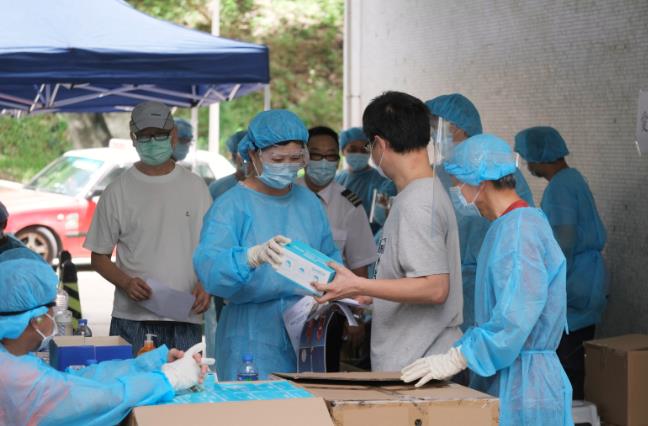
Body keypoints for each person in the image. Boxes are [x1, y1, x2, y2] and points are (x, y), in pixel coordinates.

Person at [400, 134, 572, 426]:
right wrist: (460, 352)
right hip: (510, 377)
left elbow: (514, 320)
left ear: (479, 182)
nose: (460, 197)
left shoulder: (520, 231)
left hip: (525, 387)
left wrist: (458, 358)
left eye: (458, 187)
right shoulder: (509, 225)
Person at [313, 91, 463, 372]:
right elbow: (411, 276)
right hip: (413, 361)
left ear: (380, 144)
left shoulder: (418, 203)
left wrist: (359, 285)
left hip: (420, 367)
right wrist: (372, 295)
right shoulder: (420, 193)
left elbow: (435, 287)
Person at [193, 109, 342, 380]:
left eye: (295, 159)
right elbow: (210, 271)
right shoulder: (231, 206)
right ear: (253, 154)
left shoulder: (308, 202)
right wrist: (248, 258)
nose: (287, 166)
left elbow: (330, 257)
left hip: (305, 332)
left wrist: (342, 289)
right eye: (277, 159)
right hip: (250, 334)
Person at [0, 248, 208, 426]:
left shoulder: (12, 358)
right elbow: (97, 400)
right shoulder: (14, 375)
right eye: (51, 307)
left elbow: (75, 380)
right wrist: (170, 379)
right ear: (34, 319)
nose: (55, 314)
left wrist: (155, 364)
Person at [84, 101, 212, 355]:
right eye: (145, 136)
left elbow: (213, 249)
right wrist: (126, 282)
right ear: (133, 138)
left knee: (186, 392)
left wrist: (206, 284)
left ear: (173, 135)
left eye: (160, 135)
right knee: (132, 391)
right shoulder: (118, 190)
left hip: (185, 316)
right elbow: (98, 257)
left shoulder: (196, 188)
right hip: (132, 320)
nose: (152, 141)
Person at [425, 93, 535, 332]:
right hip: (454, 283)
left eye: (438, 126)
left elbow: (513, 326)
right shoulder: (441, 173)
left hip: (493, 281)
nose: (434, 134)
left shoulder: (500, 172)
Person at [515, 126, 607, 399]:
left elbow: (562, 243)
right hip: (586, 281)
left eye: (528, 158)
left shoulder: (560, 188)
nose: (528, 165)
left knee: (568, 361)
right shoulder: (573, 178)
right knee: (575, 356)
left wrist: (542, 285)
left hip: (574, 284)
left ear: (541, 156)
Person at [299, 125, 378, 371]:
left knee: (324, 377)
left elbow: (359, 266)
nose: (324, 162)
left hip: (327, 314)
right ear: (303, 156)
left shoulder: (349, 205)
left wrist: (356, 319)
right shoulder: (284, 194)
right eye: (316, 154)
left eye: (331, 155)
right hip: (283, 307)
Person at [335, 127, 396, 229]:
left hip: (368, 240)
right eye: (353, 149)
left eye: (364, 149)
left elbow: (383, 220)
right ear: (342, 151)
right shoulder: (336, 179)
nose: (359, 153)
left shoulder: (382, 183)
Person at [209, 130, 248, 200]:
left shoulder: (269, 188)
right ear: (234, 157)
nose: (250, 159)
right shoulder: (218, 188)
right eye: (244, 154)